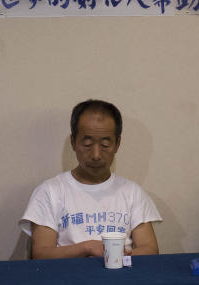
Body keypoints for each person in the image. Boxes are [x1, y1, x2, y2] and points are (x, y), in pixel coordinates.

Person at [19, 99, 162, 259]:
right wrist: (87, 248)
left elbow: (150, 250)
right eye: (87, 144)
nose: (96, 155)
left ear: (117, 144)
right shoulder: (50, 191)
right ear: (73, 142)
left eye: (105, 145)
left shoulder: (132, 192)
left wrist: (115, 255)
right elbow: (41, 254)